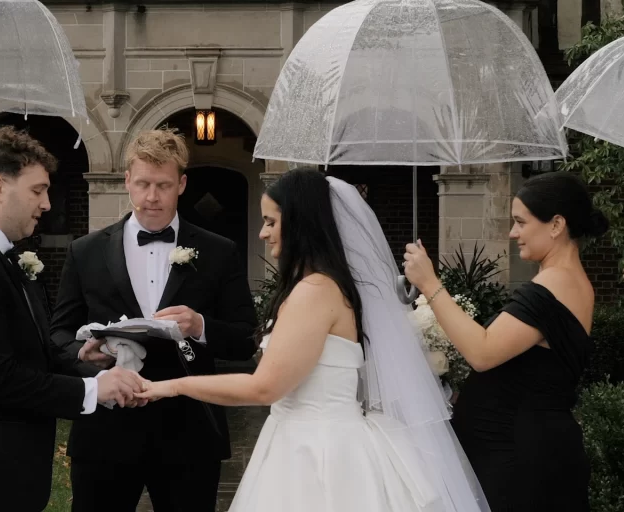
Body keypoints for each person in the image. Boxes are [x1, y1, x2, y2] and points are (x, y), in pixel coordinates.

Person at [137, 168, 491, 512]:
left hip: (318, 453)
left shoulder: (315, 291)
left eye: (272, 222)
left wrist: (174, 386)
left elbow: (264, 389)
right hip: (307, 437)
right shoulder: (325, 286)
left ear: (299, 224)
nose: (263, 233)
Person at [0, 126, 146, 512]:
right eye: (37, 190)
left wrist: (89, 368)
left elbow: (27, 354)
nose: (47, 204)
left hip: (8, 473)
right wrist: (93, 392)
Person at [50, 127, 258, 512]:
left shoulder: (219, 251)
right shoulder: (86, 251)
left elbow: (246, 338)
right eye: (143, 183)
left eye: (163, 185)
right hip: (106, 431)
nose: (151, 197)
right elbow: (59, 333)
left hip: (189, 431)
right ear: (127, 180)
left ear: (181, 184)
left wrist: (200, 326)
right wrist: (82, 354)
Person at [403, 171, 605, 511]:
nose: (513, 233)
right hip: (527, 450)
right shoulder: (567, 281)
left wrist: (430, 284)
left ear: (556, 225)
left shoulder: (555, 284)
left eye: (521, 223)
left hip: (521, 460)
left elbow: (482, 352)